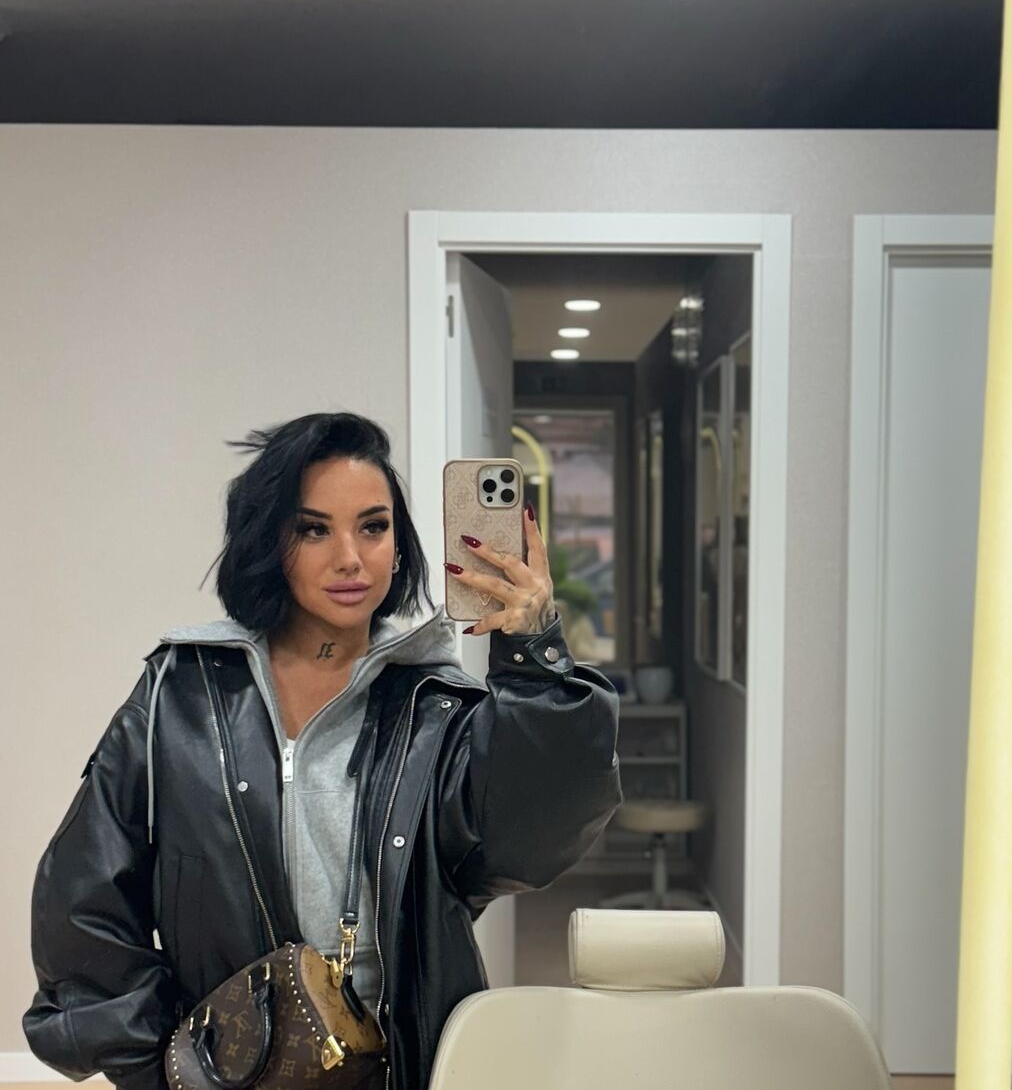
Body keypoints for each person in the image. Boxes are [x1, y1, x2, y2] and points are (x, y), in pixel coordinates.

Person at [24, 412, 622, 1090]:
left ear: (399, 545)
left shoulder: (437, 706)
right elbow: (82, 901)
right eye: (313, 529)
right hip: (232, 1070)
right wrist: (156, 1065)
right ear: (268, 541)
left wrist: (535, 658)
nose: (350, 557)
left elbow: (533, 840)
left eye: (373, 526)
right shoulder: (182, 692)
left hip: (403, 1066)